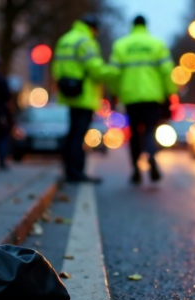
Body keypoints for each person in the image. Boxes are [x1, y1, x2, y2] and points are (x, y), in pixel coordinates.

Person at [109, 15, 177, 184]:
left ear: (132, 26)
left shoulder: (121, 45)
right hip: (152, 97)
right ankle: (151, 156)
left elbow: (113, 74)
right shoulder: (157, 44)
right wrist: (170, 92)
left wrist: (115, 93)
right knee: (149, 130)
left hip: (130, 97)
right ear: (146, 25)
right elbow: (167, 71)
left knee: (133, 134)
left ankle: (136, 170)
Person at [52, 14, 115, 183]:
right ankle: (76, 172)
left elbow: (56, 67)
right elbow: (96, 69)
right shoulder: (85, 41)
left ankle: (68, 170)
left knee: (72, 132)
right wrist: (114, 72)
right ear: (93, 28)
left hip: (68, 92)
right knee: (79, 135)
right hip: (84, 95)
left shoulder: (65, 39)